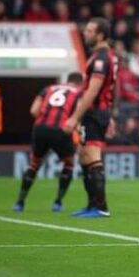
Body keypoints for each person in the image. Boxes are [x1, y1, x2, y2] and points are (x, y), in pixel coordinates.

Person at [63, 17, 118, 218]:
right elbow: (111, 88)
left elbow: (93, 91)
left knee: (92, 156)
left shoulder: (101, 59)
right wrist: (109, 114)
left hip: (94, 112)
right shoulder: (105, 57)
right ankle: (91, 205)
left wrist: (74, 117)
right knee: (85, 156)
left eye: (90, 31)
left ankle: (101, 207)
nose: (86, 33)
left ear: (101, 35)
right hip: (98, 112)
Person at [13, 72, 83, 212]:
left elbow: (33, 111)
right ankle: (57, 202)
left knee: (34, 164)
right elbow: (78, 115)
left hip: (40, 129)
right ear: (80, 83)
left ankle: (20, 203)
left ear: (66, 81)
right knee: (69, 164)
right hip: (61, 130)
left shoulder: (48, 89)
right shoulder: (79, 93)